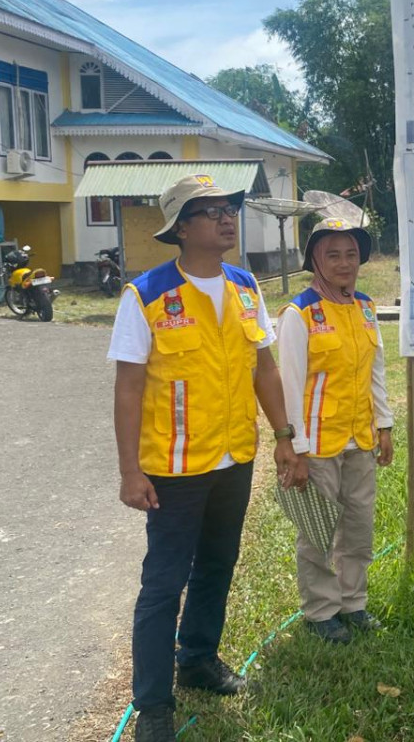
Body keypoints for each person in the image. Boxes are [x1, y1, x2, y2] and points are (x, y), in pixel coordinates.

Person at [108, 174, 305, 742]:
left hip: (234, 457)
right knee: (163, 584)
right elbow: (128, 388)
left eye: (229, 209)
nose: (226, 219)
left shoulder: (245, 286)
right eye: (211, 211)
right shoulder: (146, 295)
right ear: (181, 228)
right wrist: (130, 471)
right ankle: (153, 706)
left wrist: (284, 436)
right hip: (174, 469)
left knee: (217, 565)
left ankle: (197, 659)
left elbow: (264, 368)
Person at [277, 217, 394, 644]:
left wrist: (384, 424)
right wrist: (296, 447)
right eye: (333, 255)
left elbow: (375, 370)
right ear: (315, 260)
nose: (344, 263)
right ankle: (321, 611)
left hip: (360, 438)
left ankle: (353, 603)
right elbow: (290, 385)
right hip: (317, 444)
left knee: (359, 526)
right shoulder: (299, 314)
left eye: (351, 254)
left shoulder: (365, 307)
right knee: (318, 532)